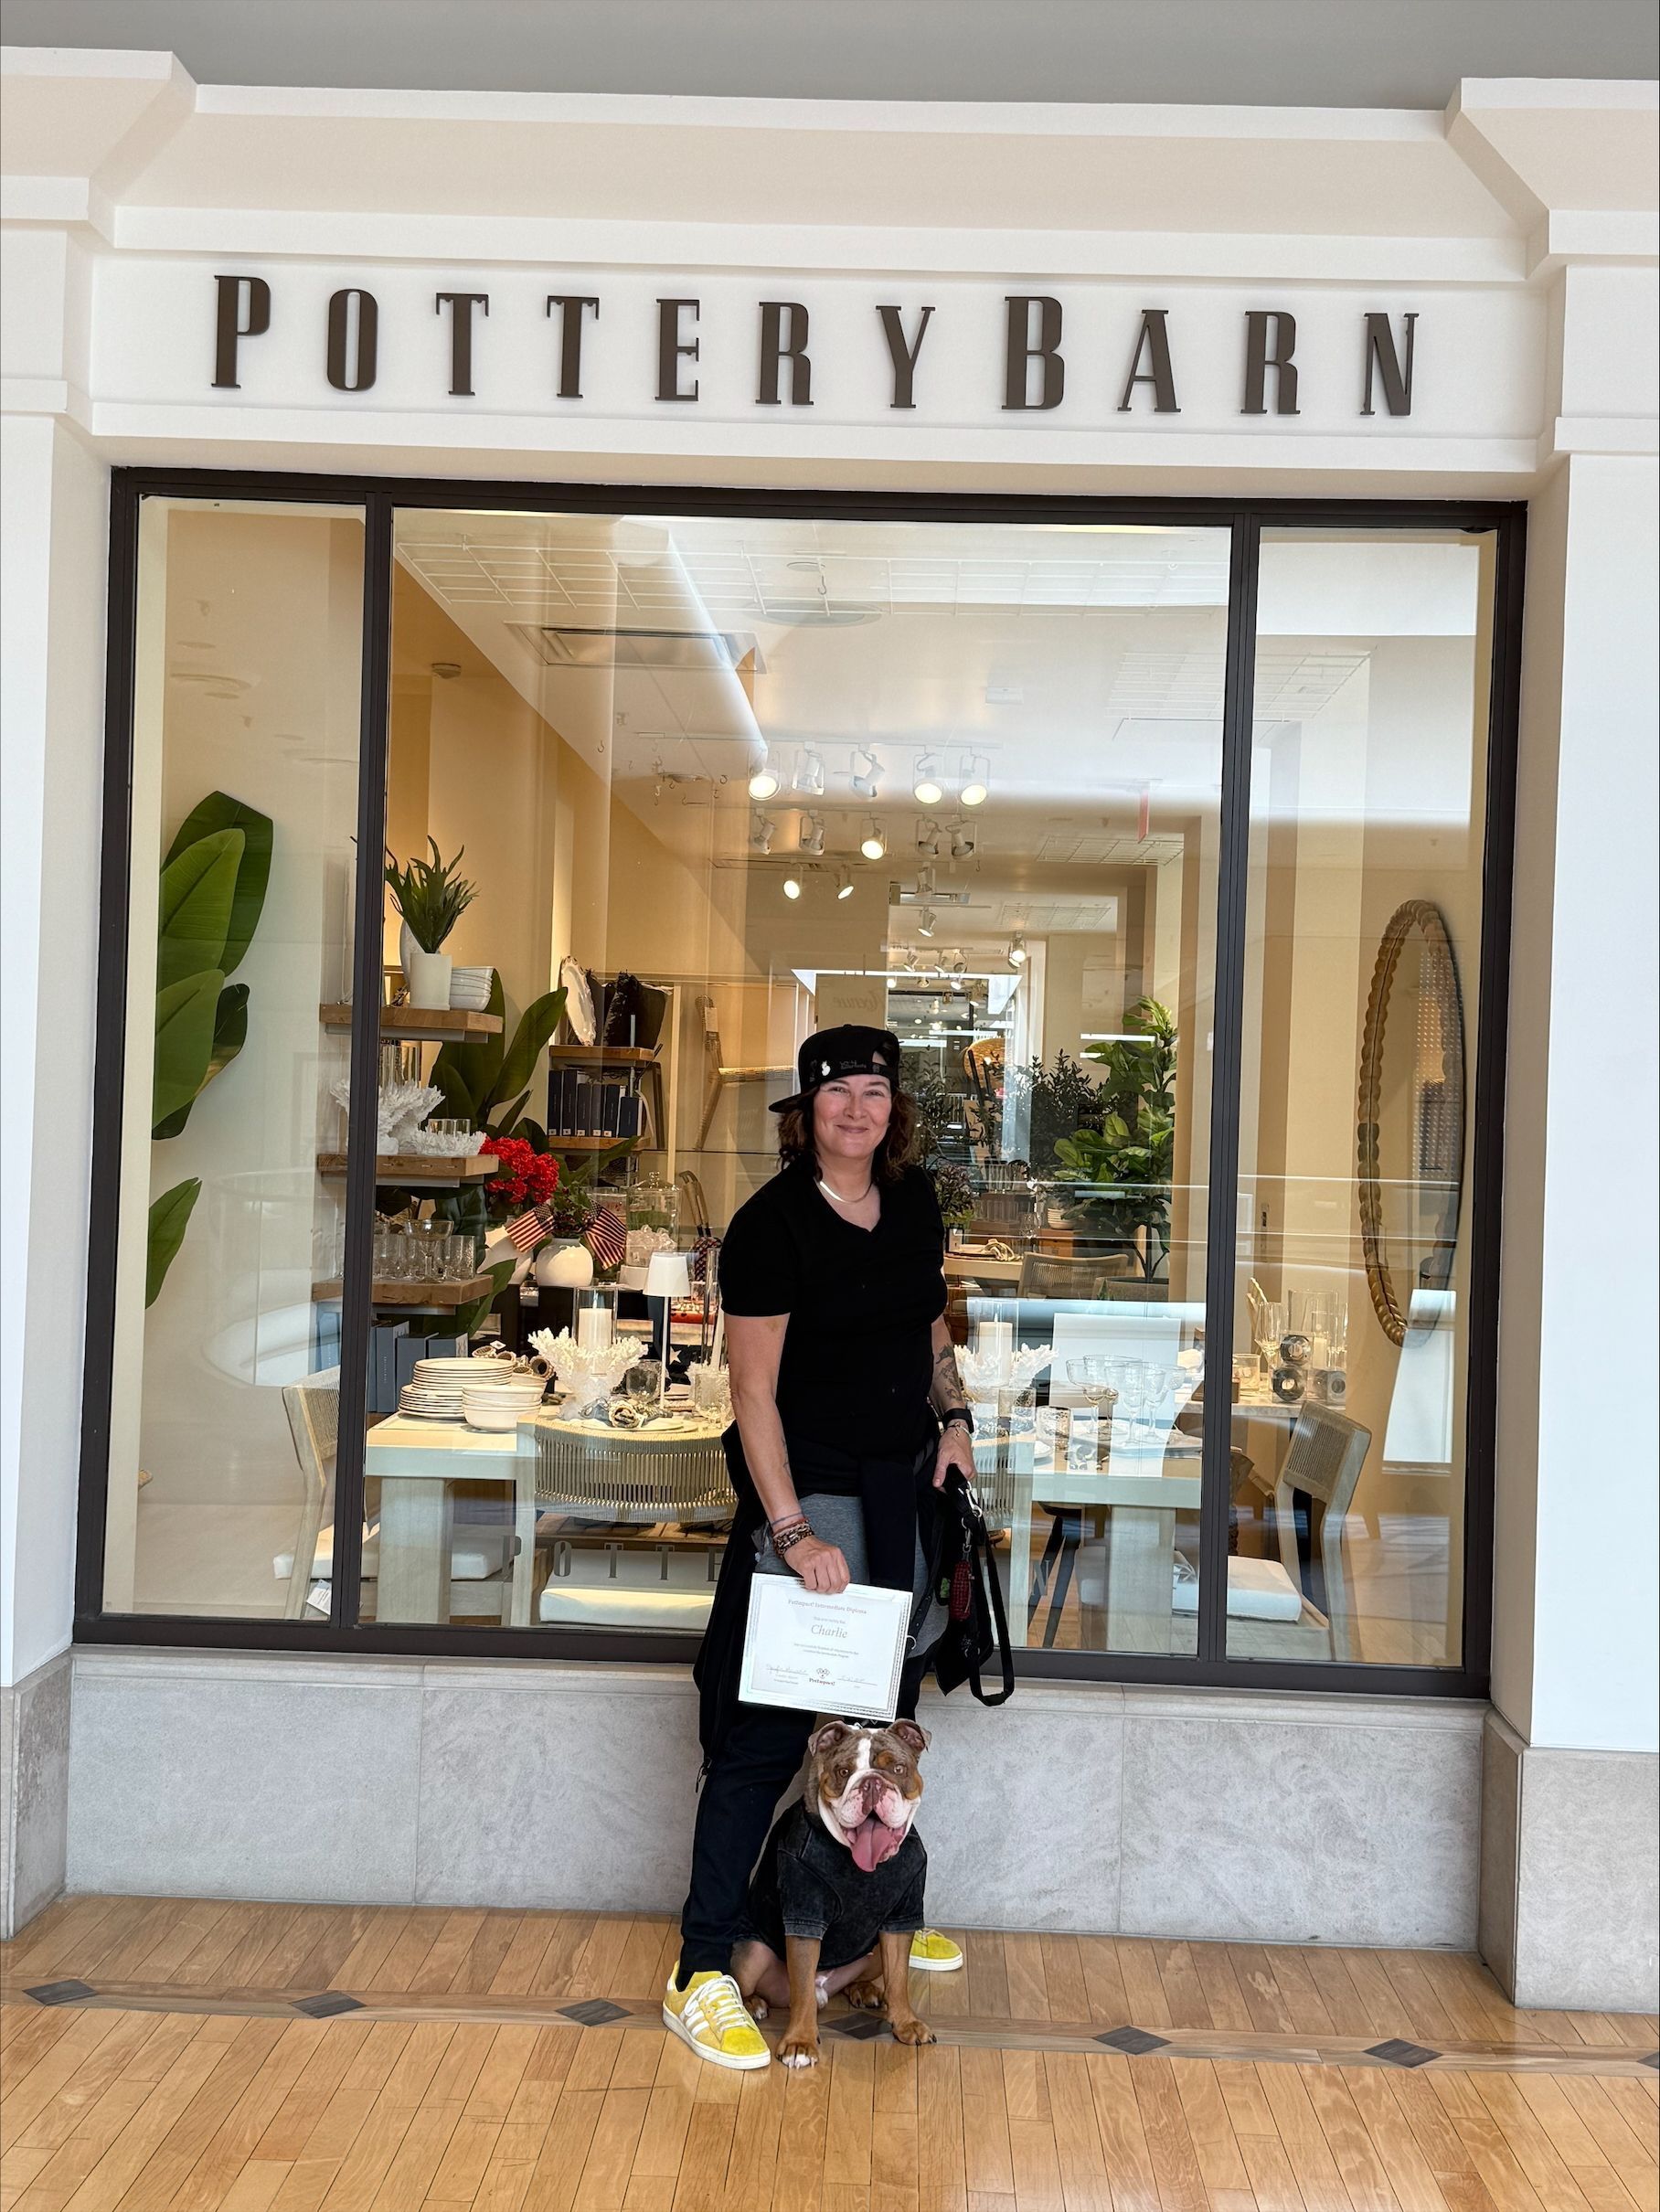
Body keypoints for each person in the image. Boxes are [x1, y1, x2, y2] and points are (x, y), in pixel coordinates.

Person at [662, 1025, 977, 2068]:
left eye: (874, 1089)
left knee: (876, 1724)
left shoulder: (917, 1199)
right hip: (813, 1502)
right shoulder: (772, 1224)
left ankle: (862, 1910)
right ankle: (703, 1966)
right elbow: (751, 1390)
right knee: (759, 1743)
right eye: (836, 1090)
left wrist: (956, 1422)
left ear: (895, 1106)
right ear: (804, 1110)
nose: (856, 1107)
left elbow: (930, 1326)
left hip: (900, 1500)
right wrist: (790, 1531)